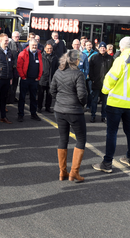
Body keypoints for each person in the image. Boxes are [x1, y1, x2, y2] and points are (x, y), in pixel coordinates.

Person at [92, 37, 130, 173]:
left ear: (122, 47)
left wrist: (104, 91)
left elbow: (111, 78)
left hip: (115, 101)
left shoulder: (121, 60)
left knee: (112, 132)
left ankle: (107, 163)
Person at [50, 50, 87, 182]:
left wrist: (60, 100)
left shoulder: (58, 72)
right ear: (76, 60)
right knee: (81, 139)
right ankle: (74, 172)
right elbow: (82, 95)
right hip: (74, 110)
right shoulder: (78, 74)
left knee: (63, 138)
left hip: (59, 110)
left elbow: (52, 90)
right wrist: (83, 104)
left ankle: (62, 172)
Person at [17, 38, 43, 122]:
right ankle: (20, 115)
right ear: (29, 45)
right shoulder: (23, 53)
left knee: (33, 98)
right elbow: (19, 66)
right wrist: (23, 77)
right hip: (25, 79)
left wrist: (38, 77)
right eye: (33, 45)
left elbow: (41, 66)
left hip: (34, 80)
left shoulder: (39, 54)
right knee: (22, 98)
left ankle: (33, 114)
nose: (34, 46)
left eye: (36, 45)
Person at [88, 42, 113, 123]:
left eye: (104, 47)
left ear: (106, 49)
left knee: (105, 102)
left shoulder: (110, 58)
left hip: (106, 83)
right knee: (94, 100)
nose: (102, 49)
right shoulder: (94, 57)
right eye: (101, 47)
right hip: (96, 82)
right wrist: (92, 79)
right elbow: (90, 69)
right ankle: (93, 115)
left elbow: (112, 70)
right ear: (98, 48)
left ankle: (104, 116)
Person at [38, 42, 59, 113]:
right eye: (48, 48)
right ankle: (39, 107)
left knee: (49, 94)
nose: (49, 50)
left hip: (51, 78)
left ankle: (48, 107)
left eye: (51, 48)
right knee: (40, 94)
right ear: (45, 49)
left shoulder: (55, 57)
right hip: (42, 78)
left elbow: (57, 67)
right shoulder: (41, 56)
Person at [8, 31, 23, 104]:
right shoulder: (10, 44)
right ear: (12, 37)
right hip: (11, 67)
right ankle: (9, 98)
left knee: (15, 84)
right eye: (16, 37)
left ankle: (13, 97)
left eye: (18, 37)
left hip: (18, 67)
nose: (17, 38)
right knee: (10, 83)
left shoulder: (19, 45)